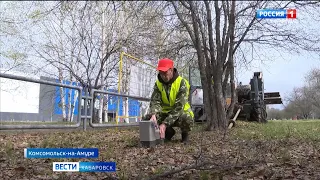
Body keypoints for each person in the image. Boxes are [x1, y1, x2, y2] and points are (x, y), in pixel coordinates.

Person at [144, 58, 194, 144]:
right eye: (161, 73)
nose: (163, 76)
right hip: (165, 113)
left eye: (165, 73)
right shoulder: (158, 84)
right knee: (148, 118)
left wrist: (164, 124)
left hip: (180, 113)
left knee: (187, 118)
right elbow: (155, 101)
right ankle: (167, 133)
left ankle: (185, 136)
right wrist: (153, 114)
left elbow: (179, 107)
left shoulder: (182, 83)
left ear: (171, 70)